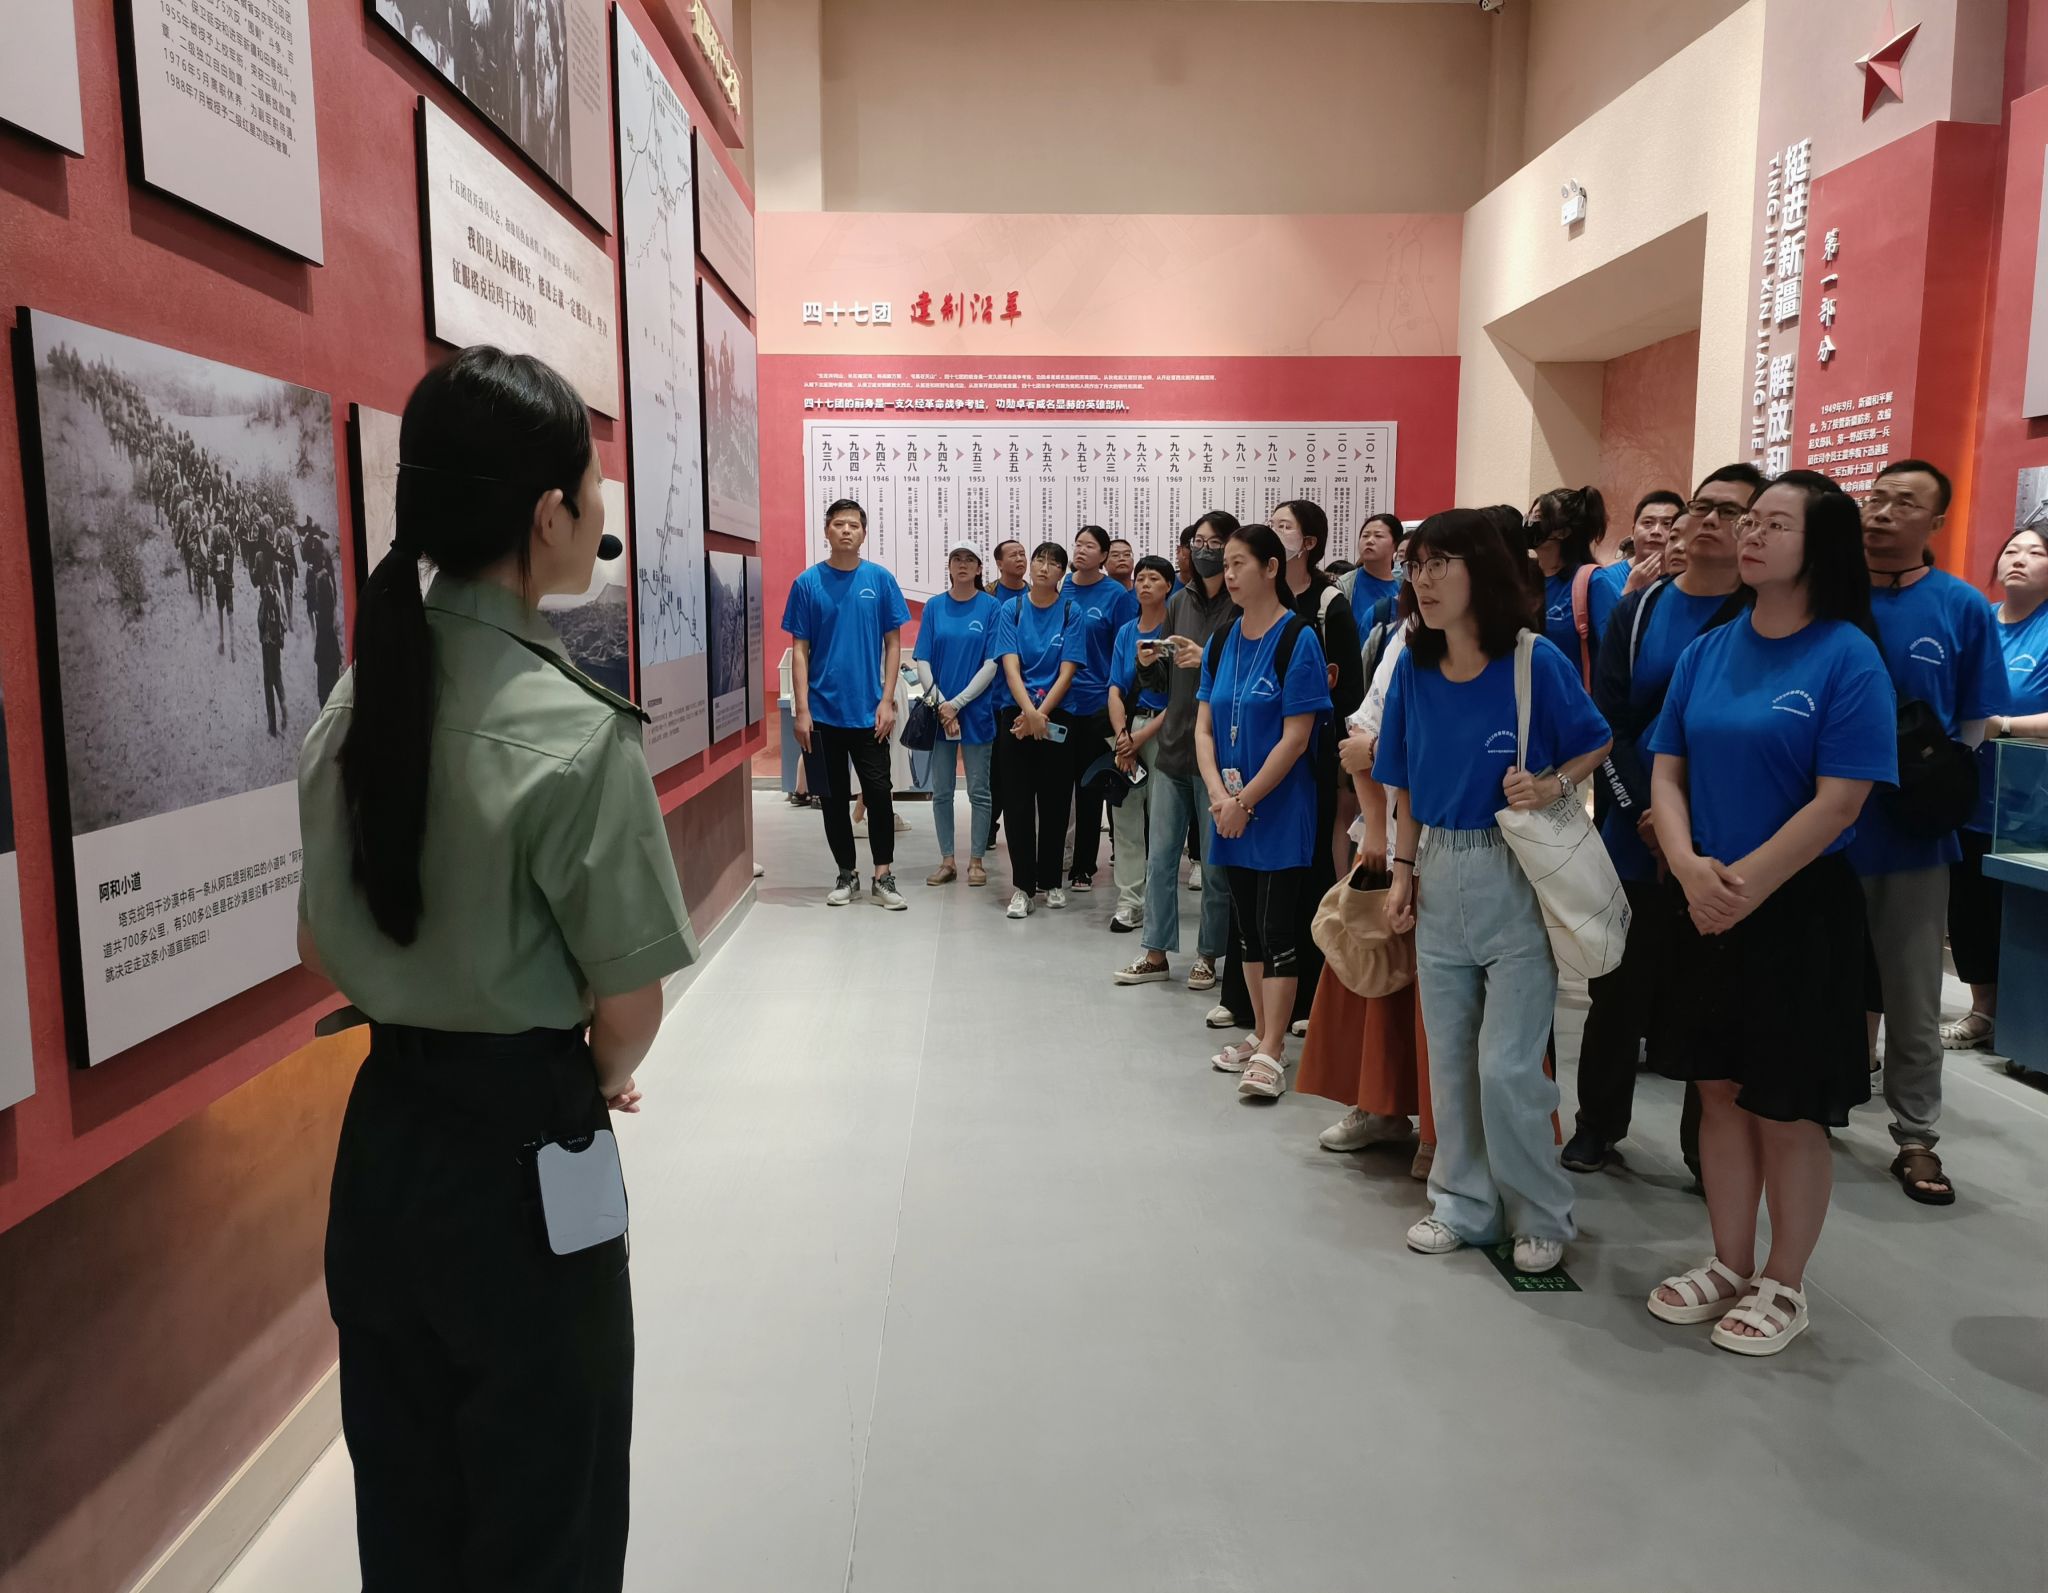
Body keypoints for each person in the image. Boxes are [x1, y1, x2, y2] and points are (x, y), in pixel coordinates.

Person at [297, 346, 697, 1589]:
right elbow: (629, 1005)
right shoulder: (574, 733)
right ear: (547, 516)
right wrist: (590, 1074)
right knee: (547, 1523)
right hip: (529, 1153)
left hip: (382, 1144)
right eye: (591, 488)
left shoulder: (359, 702)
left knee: (407, 1516)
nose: (599, 510)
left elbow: (320, 944)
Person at [1644, 470, 1898, 1354]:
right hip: (1703, 895)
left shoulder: (1848, 656)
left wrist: (1737, 887)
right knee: (1717, 1090)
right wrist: (1687, 867)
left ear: (1820, 547)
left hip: (1797, 909)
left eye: (1774, 524)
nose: (1750, 533)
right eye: (1749, 520)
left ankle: (1785, 1280)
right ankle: (1728, 1259)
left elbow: (1841, 801)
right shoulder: (1709, 650)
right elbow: (1667, 768)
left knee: (1788, 1107)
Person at [1376, 508, 1611, 1274]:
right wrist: (1401, 871)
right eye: (1416, 565)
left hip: (1515, 869)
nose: (1424, 579)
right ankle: (1462, 1204)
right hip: (1438, 864)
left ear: (1481, 569)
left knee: (1508, 1065)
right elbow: (1404, 783)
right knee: (1450, 1058)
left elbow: (1596, 739)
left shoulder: (1533, 660)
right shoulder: (1413, 668)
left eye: (1440, 563)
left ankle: (1539, 1211)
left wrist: (1550, 784)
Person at [1566, 466, 1765, 1179]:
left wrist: (1684, 824)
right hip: (1632, 834)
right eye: (1700, 507)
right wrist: (1644, 814)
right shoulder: (1639, 610)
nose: (1709, 520)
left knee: (1708, 993)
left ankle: (1702, 1145)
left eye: (1730, 512)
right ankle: (1597, 1125)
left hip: (1722, 839)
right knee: (1616, 990)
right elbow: (1609, 722)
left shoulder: (1762, 617)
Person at [1854, 459, 2004, 1204]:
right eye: (1876, 498)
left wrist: (1935, 780)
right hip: (1816, 829)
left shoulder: (1960, 606)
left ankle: (1916, 1137)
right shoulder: (1827, 595)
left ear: (1936, 522)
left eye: (1904, 503)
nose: (1882, 512)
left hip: (1912, 835)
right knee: (1814, 978)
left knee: (1912, 994)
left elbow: (1975, 718)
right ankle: (1808, 1105)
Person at [1195, 524, 1332, 1098]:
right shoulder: (1222, 639)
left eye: (1238, 563)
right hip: (1228, 808)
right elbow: (1205, 726)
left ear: (1271, 568)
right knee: (1246, 929)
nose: (1227, 573)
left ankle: (1275, 1048)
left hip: (1276, 810)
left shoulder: (1297, 638)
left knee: (1277, 929)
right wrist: (1219, 797)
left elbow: (1296, 738)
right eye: (1224, 564)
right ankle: (1260, 1032)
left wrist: (1243, 800)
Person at [1115, 511, 1239, 991]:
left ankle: (1208, 955)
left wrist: (1206, 659)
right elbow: (1164, 679)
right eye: (1197, 542)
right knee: (1161, 858)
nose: (1204, 550)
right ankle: (1155, 952)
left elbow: (1249, 669)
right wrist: (1148, 663)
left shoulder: (1242, 604)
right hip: (1172, 747)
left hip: (1219, 754)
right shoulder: (1180, 601)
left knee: (1215, 865)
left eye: (1214, 542)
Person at [783, 499, 914, 911]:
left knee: (879, 793)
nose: (845, 531)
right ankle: (847, 873)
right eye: (838, 524)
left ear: (863, 532)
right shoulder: (807, 583)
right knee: (832, 798)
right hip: (822, 714)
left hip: (869, 712)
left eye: (853, 525)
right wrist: (802, 710)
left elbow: (893, 644)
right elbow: (799, 650)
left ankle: (883, 875)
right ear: (827, 530)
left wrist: (887, 700)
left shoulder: (880, 580)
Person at [1947, 527, 2048, 1052]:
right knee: (1969, 908)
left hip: (2031, 802)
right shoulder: (1979, 620)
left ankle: (2026, 1022)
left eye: (2036, 552)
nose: (2019, 559)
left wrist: (2003, 725)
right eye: (2011, 550)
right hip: (1966, 793)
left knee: (2021, 913)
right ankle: (1983, 1010)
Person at [994, 543, 1084, 917]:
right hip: (1016, 714)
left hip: (1057, 715)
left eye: (1054, 563)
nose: (1045, 567)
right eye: (1039, 560)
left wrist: (1040, 714)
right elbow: (1010, 666)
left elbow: (1068, 670)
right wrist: (1029, 712)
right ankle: (1023, 887)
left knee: (1056, 801)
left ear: (1063, 572)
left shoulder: (1071, 611)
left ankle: (1051, 882)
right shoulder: (1011, 609)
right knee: (1016, 803)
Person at [914, 542, 1002, 888]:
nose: (962, 565)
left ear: (979, 569)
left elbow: (992, 663)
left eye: (970, 560)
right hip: (940, 715)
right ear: (949, 567)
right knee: (942, 791)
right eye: (956, 559)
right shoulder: (935, 607)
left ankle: (976, 860)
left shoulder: (991, 607)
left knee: (979, 790)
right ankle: (947, 860)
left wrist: (958, 704)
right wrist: (941, 704)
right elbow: (923, 660)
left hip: (975, 711)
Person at [1061, 525, 1140, 891]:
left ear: (1103, 555)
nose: (1080, 550)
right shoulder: (1062, 587)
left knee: (1090, 786)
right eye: (1077, 544)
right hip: (1060, 701)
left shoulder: (1116, 595)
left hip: (1097, 704)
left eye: (1089, 546)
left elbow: (1124, 649)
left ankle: (1083, 866)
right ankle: (1055, 858)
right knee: (1058, 786)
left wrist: (1118, 698)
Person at [1106, 555, 1175, 931]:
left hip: (1166, 731)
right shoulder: (1125, 633)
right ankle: (1130, 900)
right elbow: (1115, 689)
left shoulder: (1175, 634)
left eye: (1154, 579)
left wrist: (1141, 737)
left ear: (1169, 586)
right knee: (1126, 817)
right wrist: (1123, 737)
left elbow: (1181, 697)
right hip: (1128, 729)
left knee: (1163, 819)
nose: (1145, 584)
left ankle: (1159, 901)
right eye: (1141, 578)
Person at [1527, 485, 1607, 684]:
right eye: (1530, 516)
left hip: (1570, 697)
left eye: (1539, 518)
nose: (1529, 523)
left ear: (1562, 532)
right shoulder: (1524, 577)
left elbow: (1613, 653)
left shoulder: (1593, 582)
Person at [1588, 489, 1684, 639]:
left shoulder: (1686, 581)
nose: (1656, 531)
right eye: (1648, 523)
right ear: (1633, 532)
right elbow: (1608, 643)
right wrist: (1631, 592)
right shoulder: (1604, 580)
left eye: (1667, 524)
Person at [1343, 512, 1405, 618]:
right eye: (1365, 536)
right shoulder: (1344, 586)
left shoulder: (1404, 589)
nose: (1369, 541)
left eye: (1378, 535)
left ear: (1395, 545)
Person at [257, 576, 287, 736]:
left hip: (267, 645)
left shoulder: (265, 598)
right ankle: (284, 706)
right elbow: (284, 621)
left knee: (268, 684)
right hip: (276, 644)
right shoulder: (277, 597)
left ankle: (272, 726)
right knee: (278, 676)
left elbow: (260, 621)